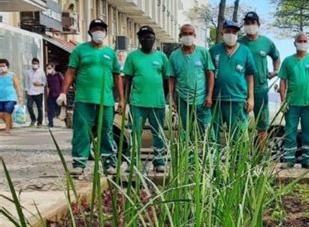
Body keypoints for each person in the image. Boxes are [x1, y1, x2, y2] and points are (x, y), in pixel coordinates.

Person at [57, 19, 124, 176]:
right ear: (90, 32)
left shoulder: (110, 54)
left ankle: (109, 164)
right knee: (81, 131)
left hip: (106, 100)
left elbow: (117, 77)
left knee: (106, 132)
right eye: (95, 28)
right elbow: (70, 72)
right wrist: (63, 92)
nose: (98, 31)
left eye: (101, 28)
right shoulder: (79, 51)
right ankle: (79, 164)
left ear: (105, 32)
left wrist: (121, 98)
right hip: (84, 99)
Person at [123, 26, 168, 173]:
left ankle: (159, 161)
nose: (146, 39)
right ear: (139, 39)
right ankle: (133, 162)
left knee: (158, 133)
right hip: (137, 103)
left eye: (149, 36)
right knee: (135, 133)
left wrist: (166, 98)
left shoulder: (161, 57)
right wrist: (125, 99)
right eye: (142, 37)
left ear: (154, 38)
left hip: (158, 103)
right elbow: (127, 80)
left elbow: (167, 80)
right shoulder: (132, 57)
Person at [278, 32, 309, 169]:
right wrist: (283, 100)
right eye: (300, 41)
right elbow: (282, 81)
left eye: (305, 41)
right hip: (292, 104)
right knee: (290, 132)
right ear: (295, 43)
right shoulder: (288, 61)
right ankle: (289, 160)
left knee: (308, 132)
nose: (302, 43)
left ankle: (307, 160)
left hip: (308, 104)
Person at [209, 19, 256, 141]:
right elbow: (208, 74)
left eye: (234, 32)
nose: (231, 34)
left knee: (239, 136)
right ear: (222, 32)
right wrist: (208, 96)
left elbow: (250, 75)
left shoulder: (245, 51)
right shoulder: (214, 51)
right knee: (212, 135)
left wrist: (251, 98)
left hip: (238, 99)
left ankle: (239, 160)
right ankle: (213, 159)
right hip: (216, 99)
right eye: (228, 31)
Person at [239, 11, 280, 148]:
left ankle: (261, 155)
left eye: (252, 23)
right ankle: (241, 155)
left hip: (261, 88)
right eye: (247, 23)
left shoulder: (266, 42)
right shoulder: (239, 43)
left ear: (258, 24)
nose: (250, 25)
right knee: (240, 123)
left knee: (262, 125)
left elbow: (276, 57)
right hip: (241, 88)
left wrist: (275, 71)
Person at [167, 24, 215, 141]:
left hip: (202, 100)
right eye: (184, 34)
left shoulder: (203, 53)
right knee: (185, 132)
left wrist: (209, 96)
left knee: (207, 132)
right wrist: (171, 98)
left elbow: (210, 74)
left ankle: (210, 156)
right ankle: (187, 157)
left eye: (190, 34)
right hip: (183, 99)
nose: (188, 36)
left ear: (194, 35)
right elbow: (171, 78)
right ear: (180, 36)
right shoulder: (174, 55)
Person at [0, 59, 24, 135]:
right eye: (0, 66)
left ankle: (7, 129)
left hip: (10, 97)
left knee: (7, 112)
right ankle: (10, 123)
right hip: (0, 97)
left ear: (7, 66)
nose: (1, 67)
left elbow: (17, 86)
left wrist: (20, 96)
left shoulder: (12, 75)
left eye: (3, 66)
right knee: (1, 113)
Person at [25, 57, 46, 127]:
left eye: (36, 63)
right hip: (30, 92)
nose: (34, 65)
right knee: (29, 106)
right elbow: (26, 82)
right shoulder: (28, 72)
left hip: (39, 92)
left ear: (38, 64)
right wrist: (26, 90)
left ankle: (39, 122)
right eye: (33, 63)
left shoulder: (41, 72)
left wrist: (40, 84)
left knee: (39, 108)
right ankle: (33, 119)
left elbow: (45, 82)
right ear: (31, 64)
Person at [45, 63, 63, 128]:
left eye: (49, 68)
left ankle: (62, 120)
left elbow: (63, 83)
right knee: (50, 109)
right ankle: (50, 123)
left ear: (53, 68)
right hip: (51, 94)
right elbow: (49, 86)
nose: (48, 70)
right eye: (47, 68)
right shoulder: (48, 77)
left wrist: (63, 93)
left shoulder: (58, 75)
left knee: (59, 108)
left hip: (58, 94)